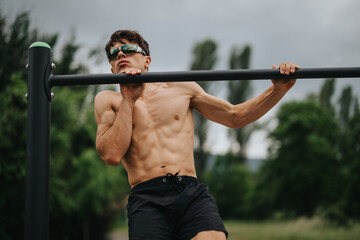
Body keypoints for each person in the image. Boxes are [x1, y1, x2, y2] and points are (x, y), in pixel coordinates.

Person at [94, 30, 299, 240]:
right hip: (147, 196)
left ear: (147, 60)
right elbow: (111, 155)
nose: (120, 55)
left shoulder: (181, 88)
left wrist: (278, 90)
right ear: (111, 68)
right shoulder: (108, 100)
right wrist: (128, 99)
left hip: (189, 191)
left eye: (128, 49)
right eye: (114, 54)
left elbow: (235, 117)